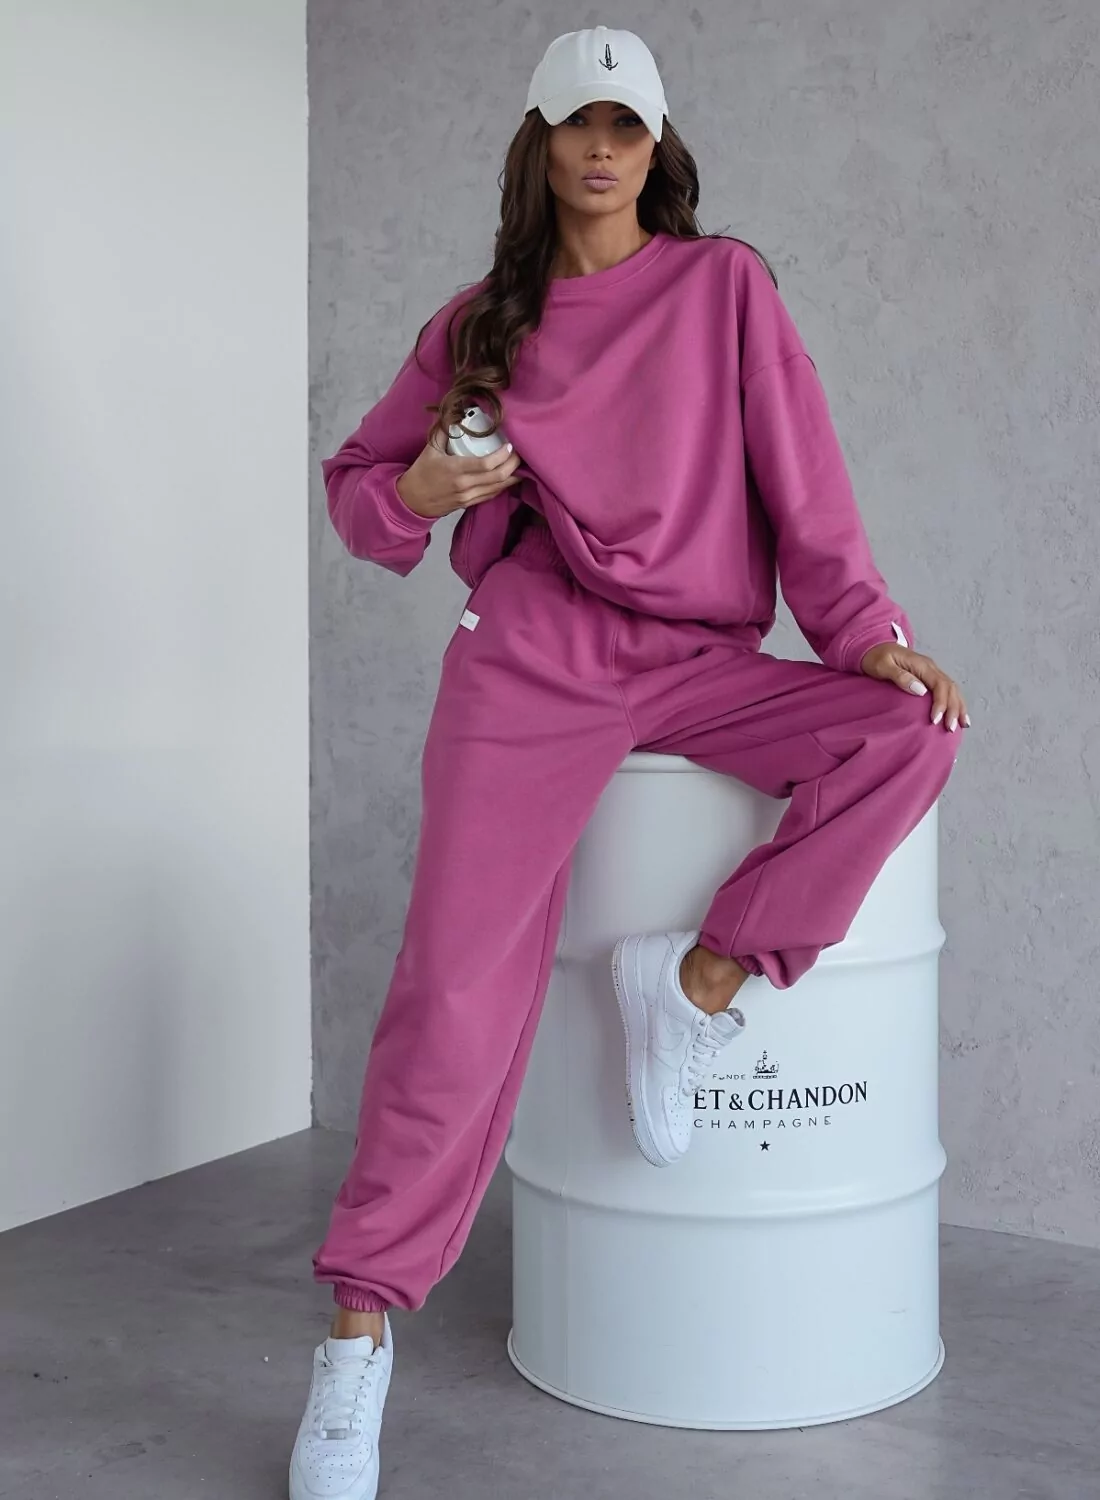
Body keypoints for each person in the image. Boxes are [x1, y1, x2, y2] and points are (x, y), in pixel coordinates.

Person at [289, 25, 969, 1500]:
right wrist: (424, 487)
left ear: (656, 146)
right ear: (538, 144)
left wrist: (866, 635)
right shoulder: (481, 325)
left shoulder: (724, 288)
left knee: (907, 729)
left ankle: (700, 982)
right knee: (453, 991)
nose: (600, 149)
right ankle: (356, 1340)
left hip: (699, 657)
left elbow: (807, 483)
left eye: (625, 125)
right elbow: (357, 495)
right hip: (532, 662)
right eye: (575, 124)